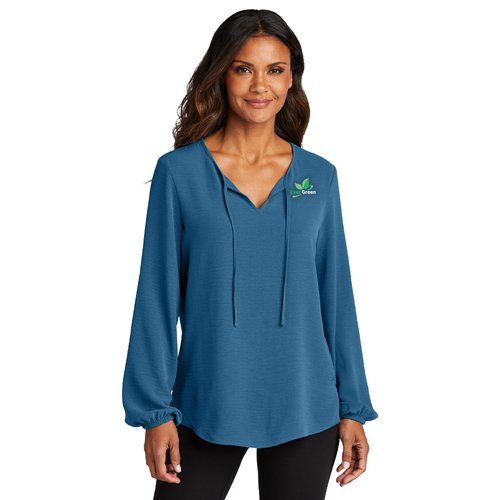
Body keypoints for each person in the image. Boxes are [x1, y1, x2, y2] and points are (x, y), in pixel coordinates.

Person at [122, 9, 379, 500]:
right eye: (244, 68)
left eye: (275, 69)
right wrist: (154, 413)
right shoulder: (179, 173)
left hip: (307, 406)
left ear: (291, 78)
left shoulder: (318, 177)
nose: (260, 85)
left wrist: (353, 407)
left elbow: (336, 299)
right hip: (205, 402)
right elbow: (156, 299)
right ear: (222, 74)